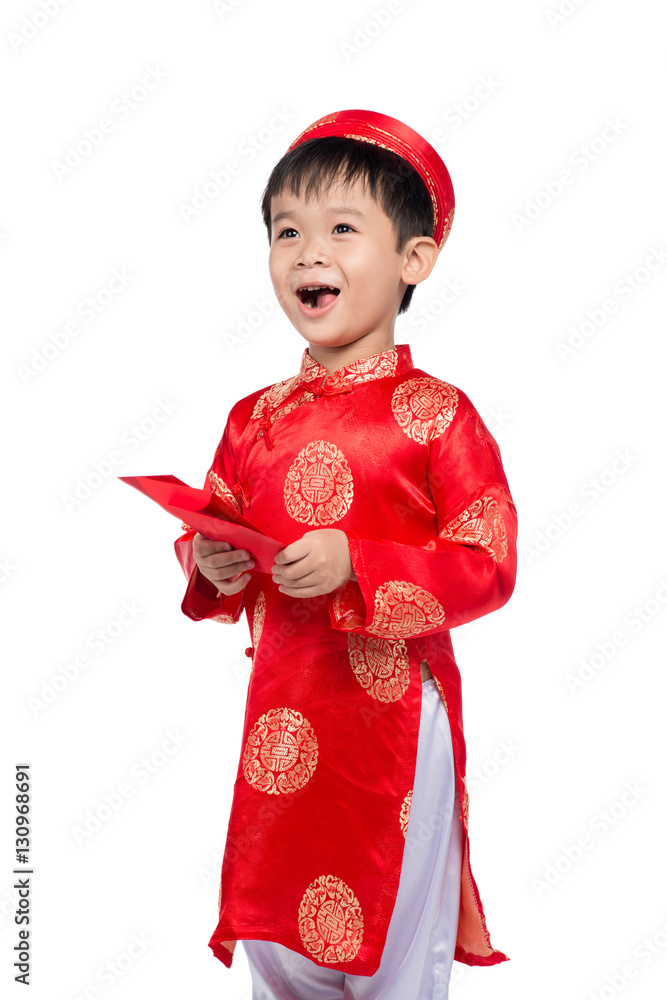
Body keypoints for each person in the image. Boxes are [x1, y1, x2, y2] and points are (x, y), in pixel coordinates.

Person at [174, 109, 518, 999]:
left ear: (413, 259)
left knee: (394, 946)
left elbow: (487, 559)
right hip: (282, 718)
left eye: (340, 229)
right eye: (285, 230)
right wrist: (212, 563)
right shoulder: (254, 417)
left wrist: (358, 563)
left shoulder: (437, 412)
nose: (305, 252)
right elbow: (212, 527)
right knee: (280, 943)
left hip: (397, 720)